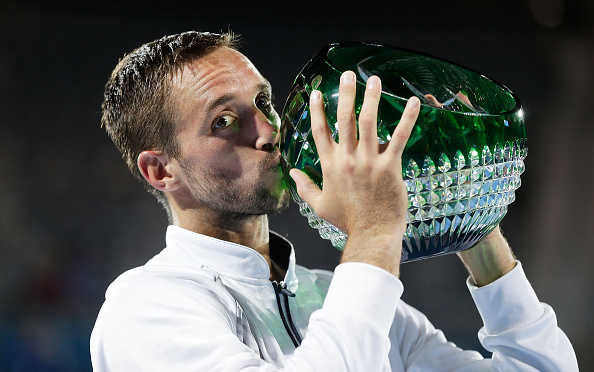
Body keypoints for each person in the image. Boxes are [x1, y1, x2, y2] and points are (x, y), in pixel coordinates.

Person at [90, 30, 578, 371]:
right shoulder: (145, 308)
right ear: (161, 170)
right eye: (224, 121)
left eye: (263, 102)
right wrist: (373, 228)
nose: (268, 131)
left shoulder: (340, 296)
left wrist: (473, 220)